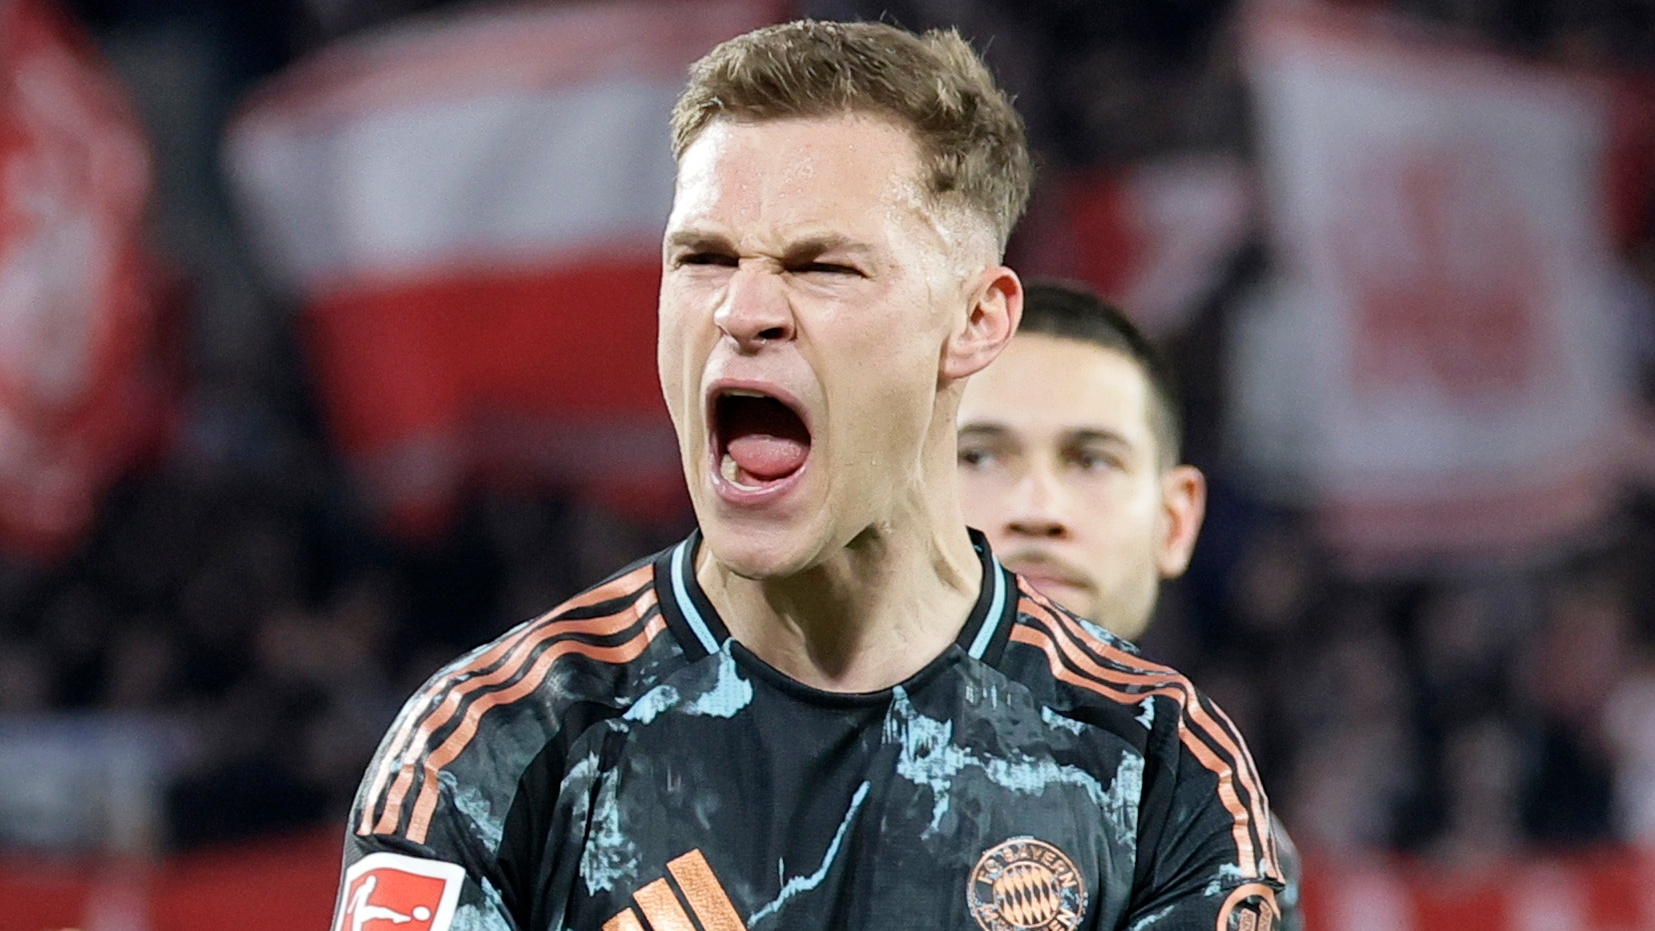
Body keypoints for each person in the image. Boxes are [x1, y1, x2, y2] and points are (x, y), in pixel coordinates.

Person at [332, 20, 1286, 931]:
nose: (744, 309)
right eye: (702, 258)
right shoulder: (493, 751)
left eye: (823, 266)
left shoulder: (1156, 768)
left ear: (976, 321)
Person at [956, 278, 1303, 928]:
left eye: (1090, 461)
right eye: (978, 455)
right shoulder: (753, 748)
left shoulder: (1221, 833)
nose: (1037, 510)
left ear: (1174, 521)